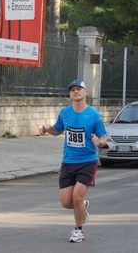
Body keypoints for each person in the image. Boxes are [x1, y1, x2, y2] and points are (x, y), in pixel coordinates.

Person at [39, 79, 107, 243]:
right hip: (68, 161)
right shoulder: (65, 113)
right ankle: (83, 205)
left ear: (86, 92)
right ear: (70, 94)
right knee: (66, 202)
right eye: (73, 90)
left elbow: (103, 137)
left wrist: (100, 142)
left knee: (76, 198)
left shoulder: (94, 116)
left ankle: (78, 231)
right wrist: (47, 129)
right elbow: (58, 129)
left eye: (79, 89)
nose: (76, 92)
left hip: (88, 161)